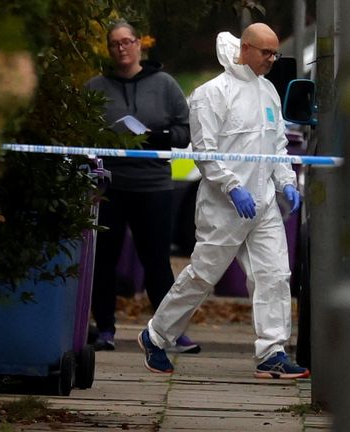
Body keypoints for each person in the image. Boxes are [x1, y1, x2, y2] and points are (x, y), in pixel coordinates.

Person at [137, 23, 308, 379]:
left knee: (274, 275)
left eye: (275, 53)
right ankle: (156, 335)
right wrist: (231, 187)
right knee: (202, 275)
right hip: (223, 206)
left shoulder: (269, 93)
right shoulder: (212, 94)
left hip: (261, 204)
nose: (272, 60)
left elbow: (276, 146)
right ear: (245, 48)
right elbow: (205, 151)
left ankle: (271, 351)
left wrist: (286, 181)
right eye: (266, 53)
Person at [84, 20, 199, 353]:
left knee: (157, 261)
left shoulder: (164, 85)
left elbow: (185, 132)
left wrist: (157, 137)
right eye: (114, 44)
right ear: (109, 49)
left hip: (153, 185)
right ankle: (105, 328)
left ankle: (168, 332)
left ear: (139, 45)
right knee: (104, 259)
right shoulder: (96, 88)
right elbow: (82, 135)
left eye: (127, 42)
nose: (121, 48)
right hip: (109, 186)